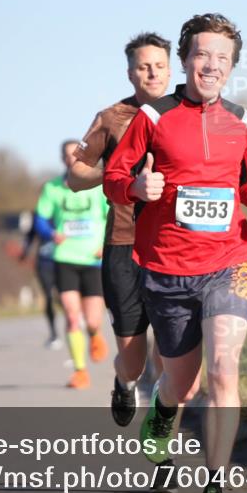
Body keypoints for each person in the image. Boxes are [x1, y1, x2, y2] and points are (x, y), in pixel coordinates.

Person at [104, 13, 247, 493]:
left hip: (229, 262)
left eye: (222, 58)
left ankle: (214, 491)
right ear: (185, 60)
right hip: (166, 268)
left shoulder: (242, 120)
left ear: (232, 66)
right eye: (203, 55)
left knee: (225, 370)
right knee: (181, 386)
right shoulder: (154, 117)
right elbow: (115, 175)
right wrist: (135, 189)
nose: (212, 65)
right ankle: (163, 411)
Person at [68, 33, 172, 424]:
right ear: (130, 73)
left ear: (170, 70)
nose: (153, 73)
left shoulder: (185, 113)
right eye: (144, 66)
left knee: (169, 354)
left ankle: (162, 435)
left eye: (160, 66)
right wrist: (114, 174)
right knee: (134, 360)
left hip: (172, 245)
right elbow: (74, 176)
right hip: (124, 244)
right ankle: (124, 382)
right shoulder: (111, 118)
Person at [34, 140, 110, 389]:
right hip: (64, 258)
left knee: (93, 321)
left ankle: (95, 335)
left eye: (76, 153)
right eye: (67, 155)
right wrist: (50, 234)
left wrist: (106, 244)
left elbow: (113, 215)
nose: (72, 158)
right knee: (71, 315)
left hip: (94, 259)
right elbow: (40, 219)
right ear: (62, 159)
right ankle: (80, 371)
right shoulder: (53, 188)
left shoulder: (98, 185)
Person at [19, 213, 64, 350]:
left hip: (64, 262)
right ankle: (54, 333)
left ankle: (74, 322)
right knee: (48, 296)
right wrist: (25, 252)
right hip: (44, 263)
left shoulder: (63, 209)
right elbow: (30, 236)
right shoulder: (38, 215)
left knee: (63, 296)